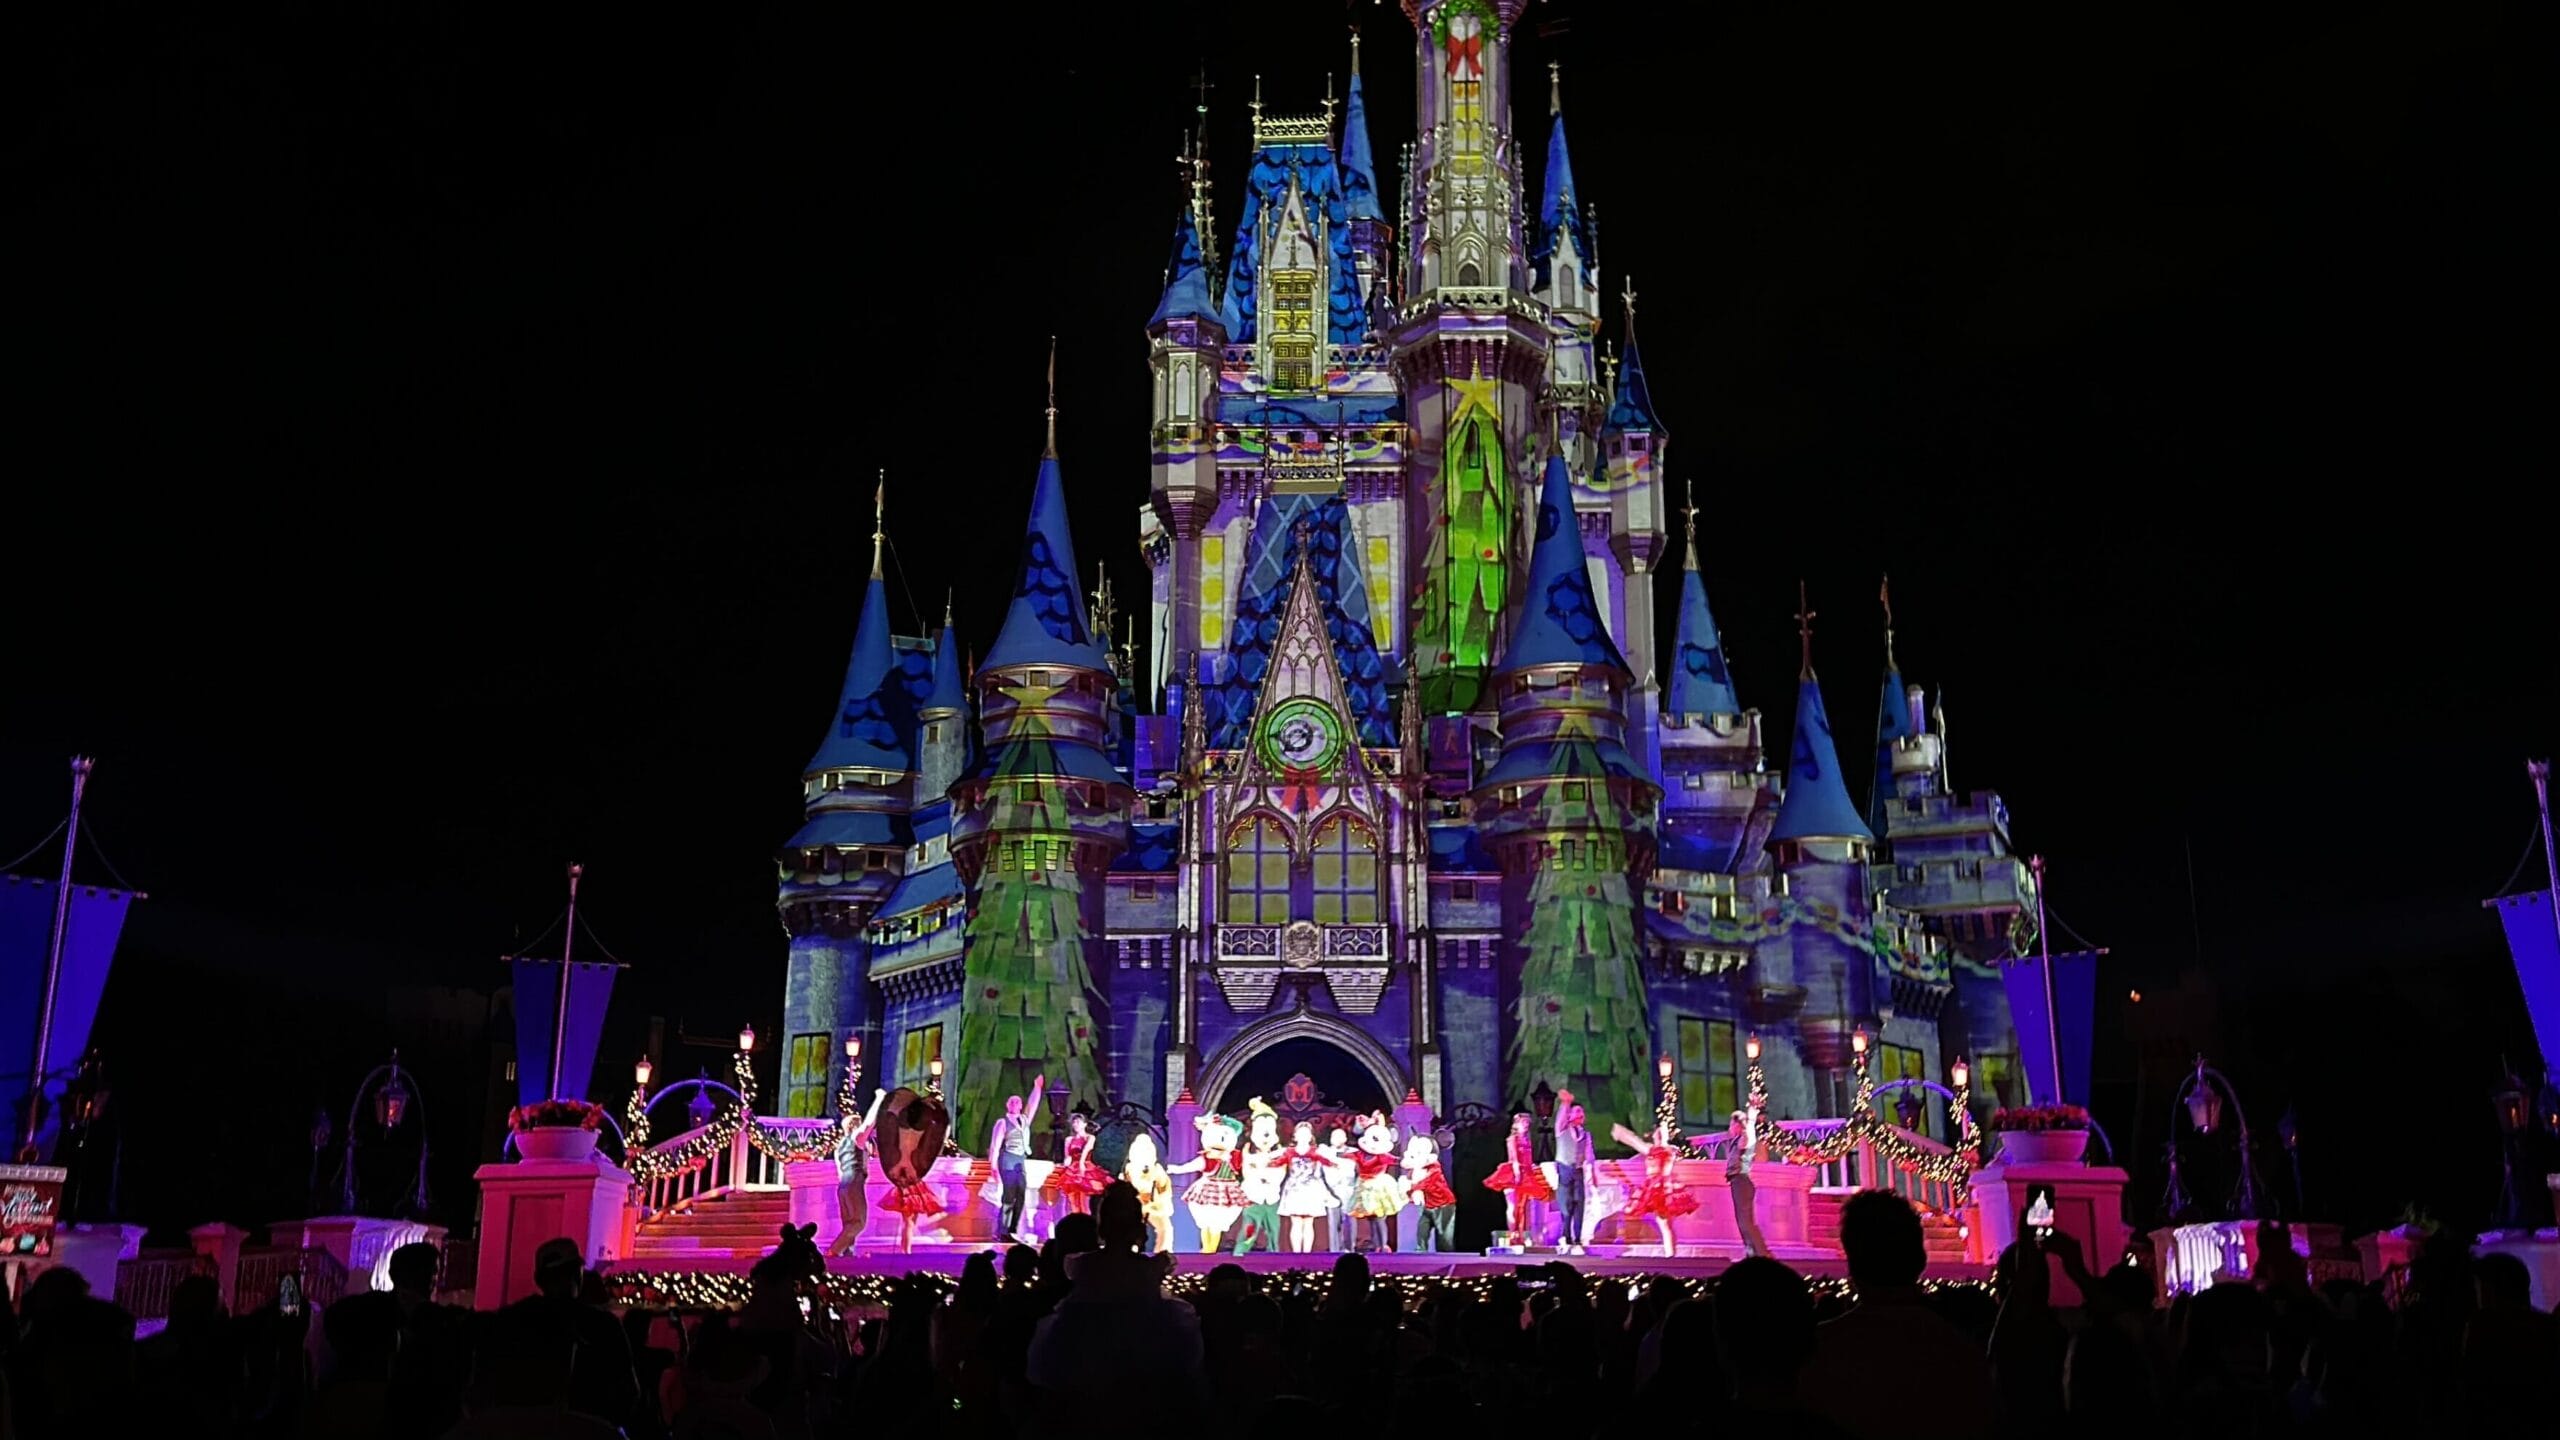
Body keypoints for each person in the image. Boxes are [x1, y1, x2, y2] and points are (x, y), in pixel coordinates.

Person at [1611, 1119, 1700, 1256]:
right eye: (1656, 1133)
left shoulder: (1665, 1150)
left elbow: (1641, 1145)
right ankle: (1670, 1253)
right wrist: (1623, 1135)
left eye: (1660, 1133)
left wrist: (1623, 1134)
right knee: (1664, 1224)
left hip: (1663, 1188)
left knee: (1665, 1224)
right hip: (1654, 1187)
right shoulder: (1653, 1149)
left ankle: (1670, 1254)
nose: (1656, 1135)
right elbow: (1638, 1145)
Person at [989, 1071, 1047, 1243]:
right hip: (1008, 1158)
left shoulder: (1024, 1120)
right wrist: (993, 1166)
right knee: (1008, 1195)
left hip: (1020, 1160)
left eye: (1018, 1101)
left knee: (1021, 1193)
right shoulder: (1002, 1122)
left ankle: (1012, 1229)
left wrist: (1037, 1088)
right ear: (1007, 1105)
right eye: (1012, 1101)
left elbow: (1033, 1105)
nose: (1015, 1103)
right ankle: (1002, 1230)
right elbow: (995, 1145)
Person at [1483, 1111, 1553, 1247]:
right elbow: (1514, 1158)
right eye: (1524, 1122)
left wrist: (1531, 1170)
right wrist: (1517, 1176)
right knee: (1513, 1206)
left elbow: (1529, 1159)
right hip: (1514, 1174)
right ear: (1517, 1124)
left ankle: (1521, 1235)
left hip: (1526, 1173)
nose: (1526, 1125)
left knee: (1523, 1207)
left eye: (1528, 1123)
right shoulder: (1512, 1139)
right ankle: (1513, 1234)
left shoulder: (1527, 1139)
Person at [830, 1087, 886, 1257]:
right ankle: (833, 1251)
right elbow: (870, 1123)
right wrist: (879, 1099)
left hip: (843, 1185)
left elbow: (840, 1171)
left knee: (849, 1223)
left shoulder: (839, 1147)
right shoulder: (857, 1138)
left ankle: (848, 1256)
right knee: (859, 1223)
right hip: (854, 1182)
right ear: (854, 1126)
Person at [1722, 1092, 1772, 1258]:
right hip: (1737, 1182)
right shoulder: (1734, 1142)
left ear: (1738, 1125)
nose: (1730, 1127)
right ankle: (1751, 1253)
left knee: (1746, 1222)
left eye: (1732, 1123)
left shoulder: (1745, 1138)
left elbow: (1750, 1128)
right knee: (1742, 1222)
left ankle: (1762, 1254)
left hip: (1742, 1181)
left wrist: (1751, 1112)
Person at [1553, 1091, 1596, 1254]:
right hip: (1565, 1169)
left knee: (1579, 1204)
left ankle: (1577, 1239)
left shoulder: (1585, 1135)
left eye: (1582, 1112)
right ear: (1570, 1115)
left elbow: (1590, 1155)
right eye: (1577, 1111)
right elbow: (1561, 1117)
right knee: (1566, 1205)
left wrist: (1592, 1173)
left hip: (1578, 1171)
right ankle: (1566, 1237)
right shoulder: (1562, 1130)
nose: (1581, 1114)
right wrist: (1566, 1103)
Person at [1122, 1130, 1177, 1254]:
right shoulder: (1129, 1169)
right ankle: (1129, 1251)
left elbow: (1164, 1189)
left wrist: (1158, 1203)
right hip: (1133, 1204)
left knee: (1165, 1228)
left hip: (1153, 1204)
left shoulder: (1157, 1170)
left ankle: (1162, 1253)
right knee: (1130, 1229)